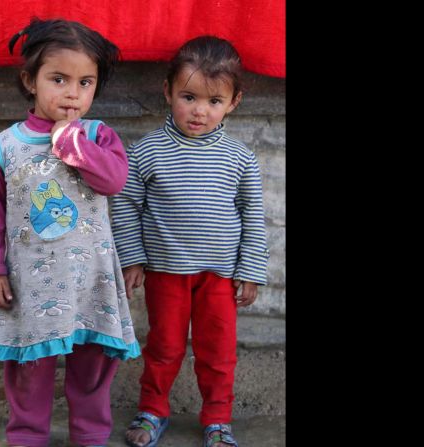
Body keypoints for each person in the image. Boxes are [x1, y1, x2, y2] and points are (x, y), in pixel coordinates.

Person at [0, 17, 140, 447]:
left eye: (85, 83)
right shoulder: (6, 145)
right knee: (30, 370)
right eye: (59, 79)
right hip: (32, 282)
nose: (72, 93)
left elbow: (114, 181)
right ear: (31, 80)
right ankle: (27, 435)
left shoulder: (98, 136)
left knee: (92, 366)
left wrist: (77, 147)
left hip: (91, 281)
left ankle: (90, 435)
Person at [111, 36, 270, 447]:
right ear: (167, 91)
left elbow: (253, 214)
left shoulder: (240, 158)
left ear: (234, 102)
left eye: (214, 101)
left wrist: (250, 270)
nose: (199, 110)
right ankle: (152, 410)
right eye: (188, 96)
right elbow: (126, 206)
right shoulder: (146, 152)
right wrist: (133, 259)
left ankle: (218, 419)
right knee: (163, 347)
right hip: (166, 273)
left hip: (219, 276)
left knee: (217, 352)